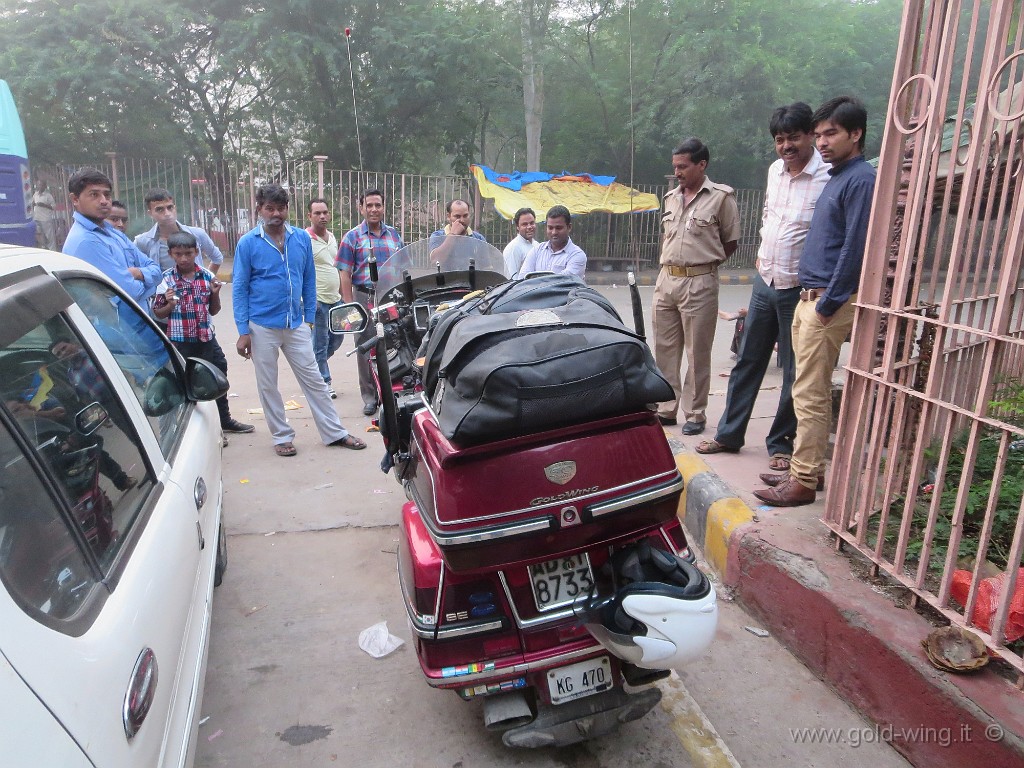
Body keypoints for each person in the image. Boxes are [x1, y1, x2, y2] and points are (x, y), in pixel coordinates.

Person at [754, 96, 876, 507]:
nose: (822, 142)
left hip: (827, 300)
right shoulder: (839, 176)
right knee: (805, 391)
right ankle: (808, 469)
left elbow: (855, 248)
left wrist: (828, 302)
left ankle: (803, 480)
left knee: (809, 392)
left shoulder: (861, 179)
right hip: (808, 297)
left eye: (831, 134)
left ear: (855, 134)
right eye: (819, 134)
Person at [696, 103, 831, 469]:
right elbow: (770, 213)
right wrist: (760, 254)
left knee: (792, 370)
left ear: (810, 136)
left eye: (794, 138)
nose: (786, 146)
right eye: (780, 139)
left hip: (799, 289)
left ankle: (781, 445)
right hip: (765, 280)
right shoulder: (775, 171)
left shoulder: (828, 176)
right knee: (747, 362)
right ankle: (729, 434)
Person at [233, 183, 365, 456]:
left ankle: (335, 432)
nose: (276, 214)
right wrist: (243, 330)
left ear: (287, 209)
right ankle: (282, 437)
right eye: (269, 208)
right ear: (259, 209)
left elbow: (308, 280)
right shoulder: (248, 243)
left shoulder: (300, 239)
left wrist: (308, 320)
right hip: (261, 326)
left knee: (315, 380)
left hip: (296, 324)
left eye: (281, 208)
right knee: (268, 384)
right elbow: (239, 287)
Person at [652, 138, 740, 435]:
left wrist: (703, 264)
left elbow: (731, 242)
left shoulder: (720, 198)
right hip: (667, 279)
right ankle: (666, 407)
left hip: (699, 282)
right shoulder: (671, 198)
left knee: (697, 352)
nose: (677, 172)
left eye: (683, 166)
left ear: (702, 165)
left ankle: (695, 413)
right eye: (675, 166)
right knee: (664, 349)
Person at [152, 231, 253, 435]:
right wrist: (170, 304)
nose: (184, 258)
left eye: (188, 253)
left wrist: (215, 295)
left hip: (205, 338)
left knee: (215, 377)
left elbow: (214, 310)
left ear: (196, 252)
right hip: (181, 342)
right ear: (171, 254)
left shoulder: (207, 277)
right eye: (178, 254)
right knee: (189, 384)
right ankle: (199, 432)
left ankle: (223, 420)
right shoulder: (166, 280)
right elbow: (158, 311)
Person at [336, 188, 404, 416]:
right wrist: (349, 306)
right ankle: (369, 397)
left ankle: (391, 393)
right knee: (365, 347)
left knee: (394, 343)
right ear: (361, 208)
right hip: (363, 297)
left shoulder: (394, 235)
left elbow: (403, 265)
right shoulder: (352, 237)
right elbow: (344, 273)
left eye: (378, 205)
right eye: (369, 205)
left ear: (384, 207)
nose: (374, 209)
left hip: (390, 297)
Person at [61, 168, 162, 310]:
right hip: (119, 328)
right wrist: (147, 280)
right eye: (94, 194)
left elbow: (157, 271)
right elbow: (131, 293)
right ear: (75, 199)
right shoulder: (86, 241)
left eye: (107, 195)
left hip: (139, 324)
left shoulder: (113, 233)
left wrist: (138, 273)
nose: (103, 201)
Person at [134, 188, 224, 274]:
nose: (167, 213)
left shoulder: (197, 234)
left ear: (175, 208)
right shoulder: (142, 242)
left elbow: (217, 257)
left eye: (170, 207)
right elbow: (135, 269)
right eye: (160, 209)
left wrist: (205, 281)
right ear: (150, 213)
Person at [307, 198, 342, 398]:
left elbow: (336, 265)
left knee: (337, 339)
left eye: (325, 212)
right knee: (320, 342)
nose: (322, 216)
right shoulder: (304, 238)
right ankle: (324, 381)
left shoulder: (332, 237)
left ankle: (314, 366)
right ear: (309, 216)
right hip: (318, 300)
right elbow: (301, 270)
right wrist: (309, 299)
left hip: (335, 298)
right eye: (317, 213)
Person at [516, 205, 586, 279]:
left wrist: (535, 281)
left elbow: (564, 282)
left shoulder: (577, 255)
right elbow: (522, 279)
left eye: (558, 228)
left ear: (569, 227)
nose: (554, 232)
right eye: (550, 228)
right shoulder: (536, 251)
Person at [428, 199, 486, 263]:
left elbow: (486, 267)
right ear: (448, 216)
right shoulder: (437, 236)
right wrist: (452, 235)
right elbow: (435, 260)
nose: (462, 220)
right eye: (457, 216)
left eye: (465, 216)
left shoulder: (478, 238)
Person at [503, 207, 537, 278]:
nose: (529, 227)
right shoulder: (514, 248)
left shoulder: (537, 245)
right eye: (525, 224)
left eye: (532, 223)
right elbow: (511, 278)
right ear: (517, 227)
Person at [32, 179, 58, 250]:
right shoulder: (35, 194)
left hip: (45, 219)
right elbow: (32, 203)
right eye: (38, 185)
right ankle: (43, 248)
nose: (39, 186)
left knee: (49, 236)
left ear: (45, 186)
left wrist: (44, 205)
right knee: (39, 235)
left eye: (41, 185)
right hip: (37, 218)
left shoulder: (48, 196)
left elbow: (53, 207)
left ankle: (53, 250)